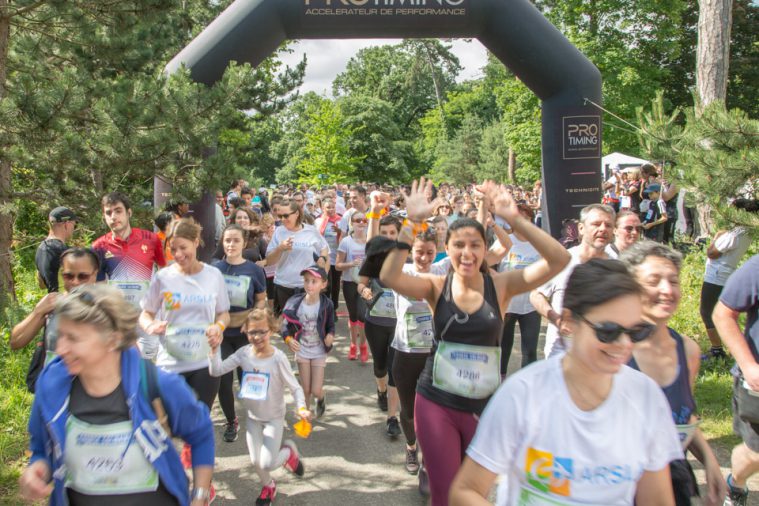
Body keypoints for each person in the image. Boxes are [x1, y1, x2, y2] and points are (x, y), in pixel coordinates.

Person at [380, 178, 570, 506]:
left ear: (485, 250)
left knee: (474, 494)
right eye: (458, 245)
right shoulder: (435, 286)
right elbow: (389, 277)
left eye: (475, 245)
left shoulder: (502, 286)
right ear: (447, 248)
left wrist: (515, 218)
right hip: (436, 402)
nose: (467, 253)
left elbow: (559, 260)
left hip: (484, 409)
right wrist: (411, 224)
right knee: (445, 492)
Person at [450, 259, 681, 505]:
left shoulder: (646, 397)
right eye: (607, 331)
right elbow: (466, 492)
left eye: (636, 331)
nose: (624, 344)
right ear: (568, 321)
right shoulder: (524, 394)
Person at [19, 284, 215, 506]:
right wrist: (37, 468)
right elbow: (39, 446)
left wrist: (199, 495)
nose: (61, 348)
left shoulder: (157, 384)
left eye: (73, 338)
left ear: (112, 340)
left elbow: (201, 434)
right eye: (60, 336)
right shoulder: (51, 385)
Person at [621, 241, 726, 505]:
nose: (667, 290)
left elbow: (682, 416)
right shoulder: (613, 349)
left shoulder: (688, 350)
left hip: (672, 481)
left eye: (674, 281)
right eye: (654, 280)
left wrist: (710, 462)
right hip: (617, 484)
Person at [139, 219, 230, 482]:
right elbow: (145, 313)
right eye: (173, 249)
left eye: (183, 248)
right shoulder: (163, 277)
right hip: (170, 363)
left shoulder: (213, 276)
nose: (178, 255)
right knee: (166, 424)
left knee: (198, 424)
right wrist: (151, 325)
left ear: (196, 242)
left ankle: (200, 479)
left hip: (205, 361)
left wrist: (219, 327)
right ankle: (168, 475)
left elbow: (223, 313)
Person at [209, 307, 308, 506]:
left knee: (267, 462)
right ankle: (269, 486)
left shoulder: (278, 358)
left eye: (262, 332)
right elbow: (216, 370)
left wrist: (301, 408)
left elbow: (295, 387)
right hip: (253, 418)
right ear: (245, 331)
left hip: (273, 418)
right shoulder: (243, 354)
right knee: (256, 462)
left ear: (271, 331)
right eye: (252, 332)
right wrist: (213, 350)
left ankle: (288, 452)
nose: (257, 337)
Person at [530, 203, 615, 358]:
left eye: (608, 225)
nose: (603, 229)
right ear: (581, 228)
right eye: (596, 224)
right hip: (562, 356)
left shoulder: (618, 267)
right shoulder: (561, 261)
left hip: (602, 357)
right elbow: (536, 295)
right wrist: (555, 318)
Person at [12, 248, 99, 393]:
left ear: (95, 274)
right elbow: (16, 342)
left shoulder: (106, 306)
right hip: (53, 391)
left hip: (91, 394)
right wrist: (38, 312)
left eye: (83, 276)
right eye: (68, 276)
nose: (75, 282)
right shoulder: (51, 304)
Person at [212, 224, 267, 443]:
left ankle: (256, 419)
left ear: (244, 243)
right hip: (223, 335)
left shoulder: (254, 269)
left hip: (246, 334)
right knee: (224, 382)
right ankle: (231, 420)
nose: (231, 245)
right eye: (227, 240)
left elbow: (261, 297)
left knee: (249, 380)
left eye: (236, 240)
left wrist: (256, 315)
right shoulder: (214, 269)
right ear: (222, 243)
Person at [92, 192, 166, 355]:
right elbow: (99, 287)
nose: (113, 217)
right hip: (119, 320)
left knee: (146, 370)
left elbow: (165, 274)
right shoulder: (99, 246)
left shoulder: (151, 240)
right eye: (108, 213)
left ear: (129, 213)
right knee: (122, 370)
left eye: (118, 211)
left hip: (148, 317)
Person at [713, 254, 759, 506]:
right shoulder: (757, 268)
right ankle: (736, 485)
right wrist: (749, 366)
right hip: (756, 383)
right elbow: (722, 314)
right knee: (756, 453)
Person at [359, 214, 404, 439]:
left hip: (400, 324)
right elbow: (361, 282)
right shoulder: (374, 257)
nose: (387, 237)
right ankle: (381, 389)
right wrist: (363, 290)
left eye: (392, 233)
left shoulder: (407, 258)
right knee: (380, 367)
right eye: (383, 233)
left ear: (398, 234)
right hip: (376, 321)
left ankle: (392, 417)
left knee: (395, 369)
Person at [281, 266, 335, 418]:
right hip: (302, 350)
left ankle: (321, 397)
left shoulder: (327, 304)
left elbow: (331, 325)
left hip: (319, 351)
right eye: (306, 281)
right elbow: (284, 326)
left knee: (315, 390)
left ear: (323, 284)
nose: (309, 285)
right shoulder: (295, 303)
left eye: (314, 281)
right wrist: (289, 339)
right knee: (306, 388)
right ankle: (306, 414)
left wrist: (330, 335)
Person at [497, 204, 542, 374]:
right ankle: (499, 385)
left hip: (531, 305)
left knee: (530, 351)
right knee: (503, 349)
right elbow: (490, 266)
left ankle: (527, 386)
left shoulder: (538, 243)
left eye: (526, 218)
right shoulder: (505, 241)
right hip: (507, 305)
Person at [265, 200, 330, 315]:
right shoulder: (279, 232)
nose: (282, 219)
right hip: (284, 285)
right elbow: (269, 261)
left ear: (296, 214)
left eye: (286, 215)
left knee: (306, 323)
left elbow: (324, 249)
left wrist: (323, 261)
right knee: (286, 325)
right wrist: (280, 248)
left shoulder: (311, 231)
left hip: (307, 287)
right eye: (280, 216)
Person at [700, 225, 752, 361]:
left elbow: (711, 253)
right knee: (721, 313)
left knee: (707, 312)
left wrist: (717, 238)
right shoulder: (747, 232)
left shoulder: (735, 234)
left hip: (716, 276)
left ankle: (717, 350)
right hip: (724, 274)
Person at [336, 211, 369, 362]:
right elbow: (337, 266)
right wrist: (351, 264)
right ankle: (352, 345)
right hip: (350, 283)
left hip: (366, 284)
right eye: (357, 220)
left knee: (363, 316)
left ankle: (363, 345)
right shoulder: (346, 242)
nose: (361, 223)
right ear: (352, 223)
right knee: (354, 316)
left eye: (364, 220)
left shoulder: (371, 241)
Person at [36, 206, 78, 293]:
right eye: (74, 225)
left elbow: (42, 285)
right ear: (67, 224)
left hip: (52, 303)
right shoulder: (65, 251)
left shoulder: (40, 249)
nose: (74, 229)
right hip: (66, 302)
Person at [314, 197, 343, 318]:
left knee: (335, 285)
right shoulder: (318, 221)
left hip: (336, 257)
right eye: (328, 207)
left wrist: (339, 231)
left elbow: (345, 237)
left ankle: (334, 308)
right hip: (323, 258)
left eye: (332, 207)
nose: (330, 210)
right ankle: (325, 308)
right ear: (322, 208)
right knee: (325, 285)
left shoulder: (340, 220)